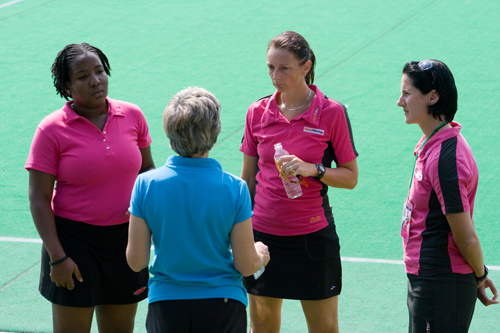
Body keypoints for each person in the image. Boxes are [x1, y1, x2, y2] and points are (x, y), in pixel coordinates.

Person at [25, 43, 155, 333]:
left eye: (99, 71)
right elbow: (39, 198)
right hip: (73, 243)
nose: (95, 80)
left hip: (126, 242)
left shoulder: (133, 115)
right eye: (82, 76)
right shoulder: (51, 130)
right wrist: (58, 257)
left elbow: (147, 171)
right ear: (66, 86)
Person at [240, 31, 359, 333]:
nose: (275, 76)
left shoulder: (332, 113)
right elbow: (248, 180)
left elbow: (350, 177)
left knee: (324, 329)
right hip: (264, 238)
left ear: (306, 67)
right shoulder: (257, 112)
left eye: (284, 68)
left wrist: (313, 170)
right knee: (262, 328)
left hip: (313, 238)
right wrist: (238, 231)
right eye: (270, 68)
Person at [126, 87, 270, 333]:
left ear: (170, 134)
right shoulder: (235, 188)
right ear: (215, 131)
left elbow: (136, 260)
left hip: (166, 304)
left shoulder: (146, 184)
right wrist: (261, 254)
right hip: (223, 305)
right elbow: (246, 265)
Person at [397, 59, 499, 332]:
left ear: (432, 96)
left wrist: (480, 275)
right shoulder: (433, 143)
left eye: (407, 93)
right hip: (428, 280)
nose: (400, 101)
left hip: (440, 283)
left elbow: (465, 235)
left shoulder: (446, 159)